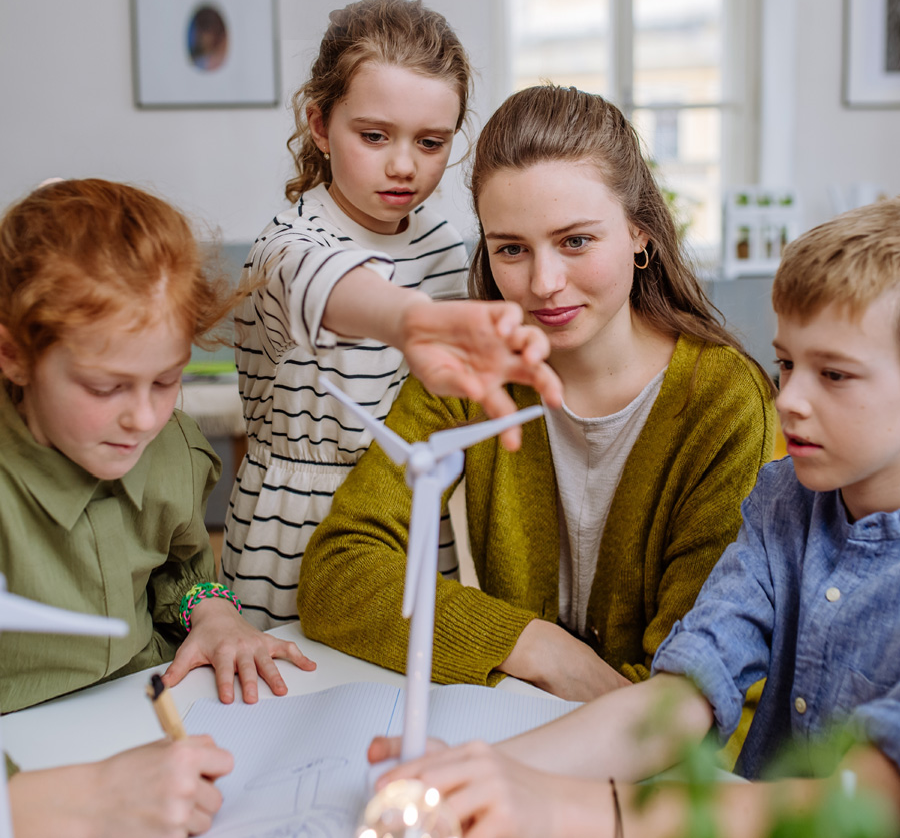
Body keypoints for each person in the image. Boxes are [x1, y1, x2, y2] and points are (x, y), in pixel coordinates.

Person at [373, 197, 900, 838]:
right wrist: (482, 773)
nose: (790, 400)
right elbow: (683, 694)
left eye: (836, 375)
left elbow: (865, 806)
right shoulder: (784, 499)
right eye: (787, 364)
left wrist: (564, 808)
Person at [297, 84, 775, 703]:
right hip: (518, 730)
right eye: (512, 249)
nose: (545, 284)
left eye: (576, 241)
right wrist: (543, 650)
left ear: (640, 234)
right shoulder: (472, 373)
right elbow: (337, 572)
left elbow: (693, 692)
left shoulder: (726, 404)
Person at [222, 0, 561, 630]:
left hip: (408, 516)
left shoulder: (439, 241)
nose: (404, 165)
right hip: (295, 529)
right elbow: (330, 284)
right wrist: (411, 321)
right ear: (320, 125)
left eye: (431, 142)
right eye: (374, 136)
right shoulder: (285, 245)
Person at [0, 178, 315, 836]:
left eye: (167, 379)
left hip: (145, 724)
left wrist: (215, 612)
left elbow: (184, 565)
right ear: (14, 355)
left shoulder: (168, 443)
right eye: (105, 385)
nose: (143, 418)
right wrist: (76, 800)